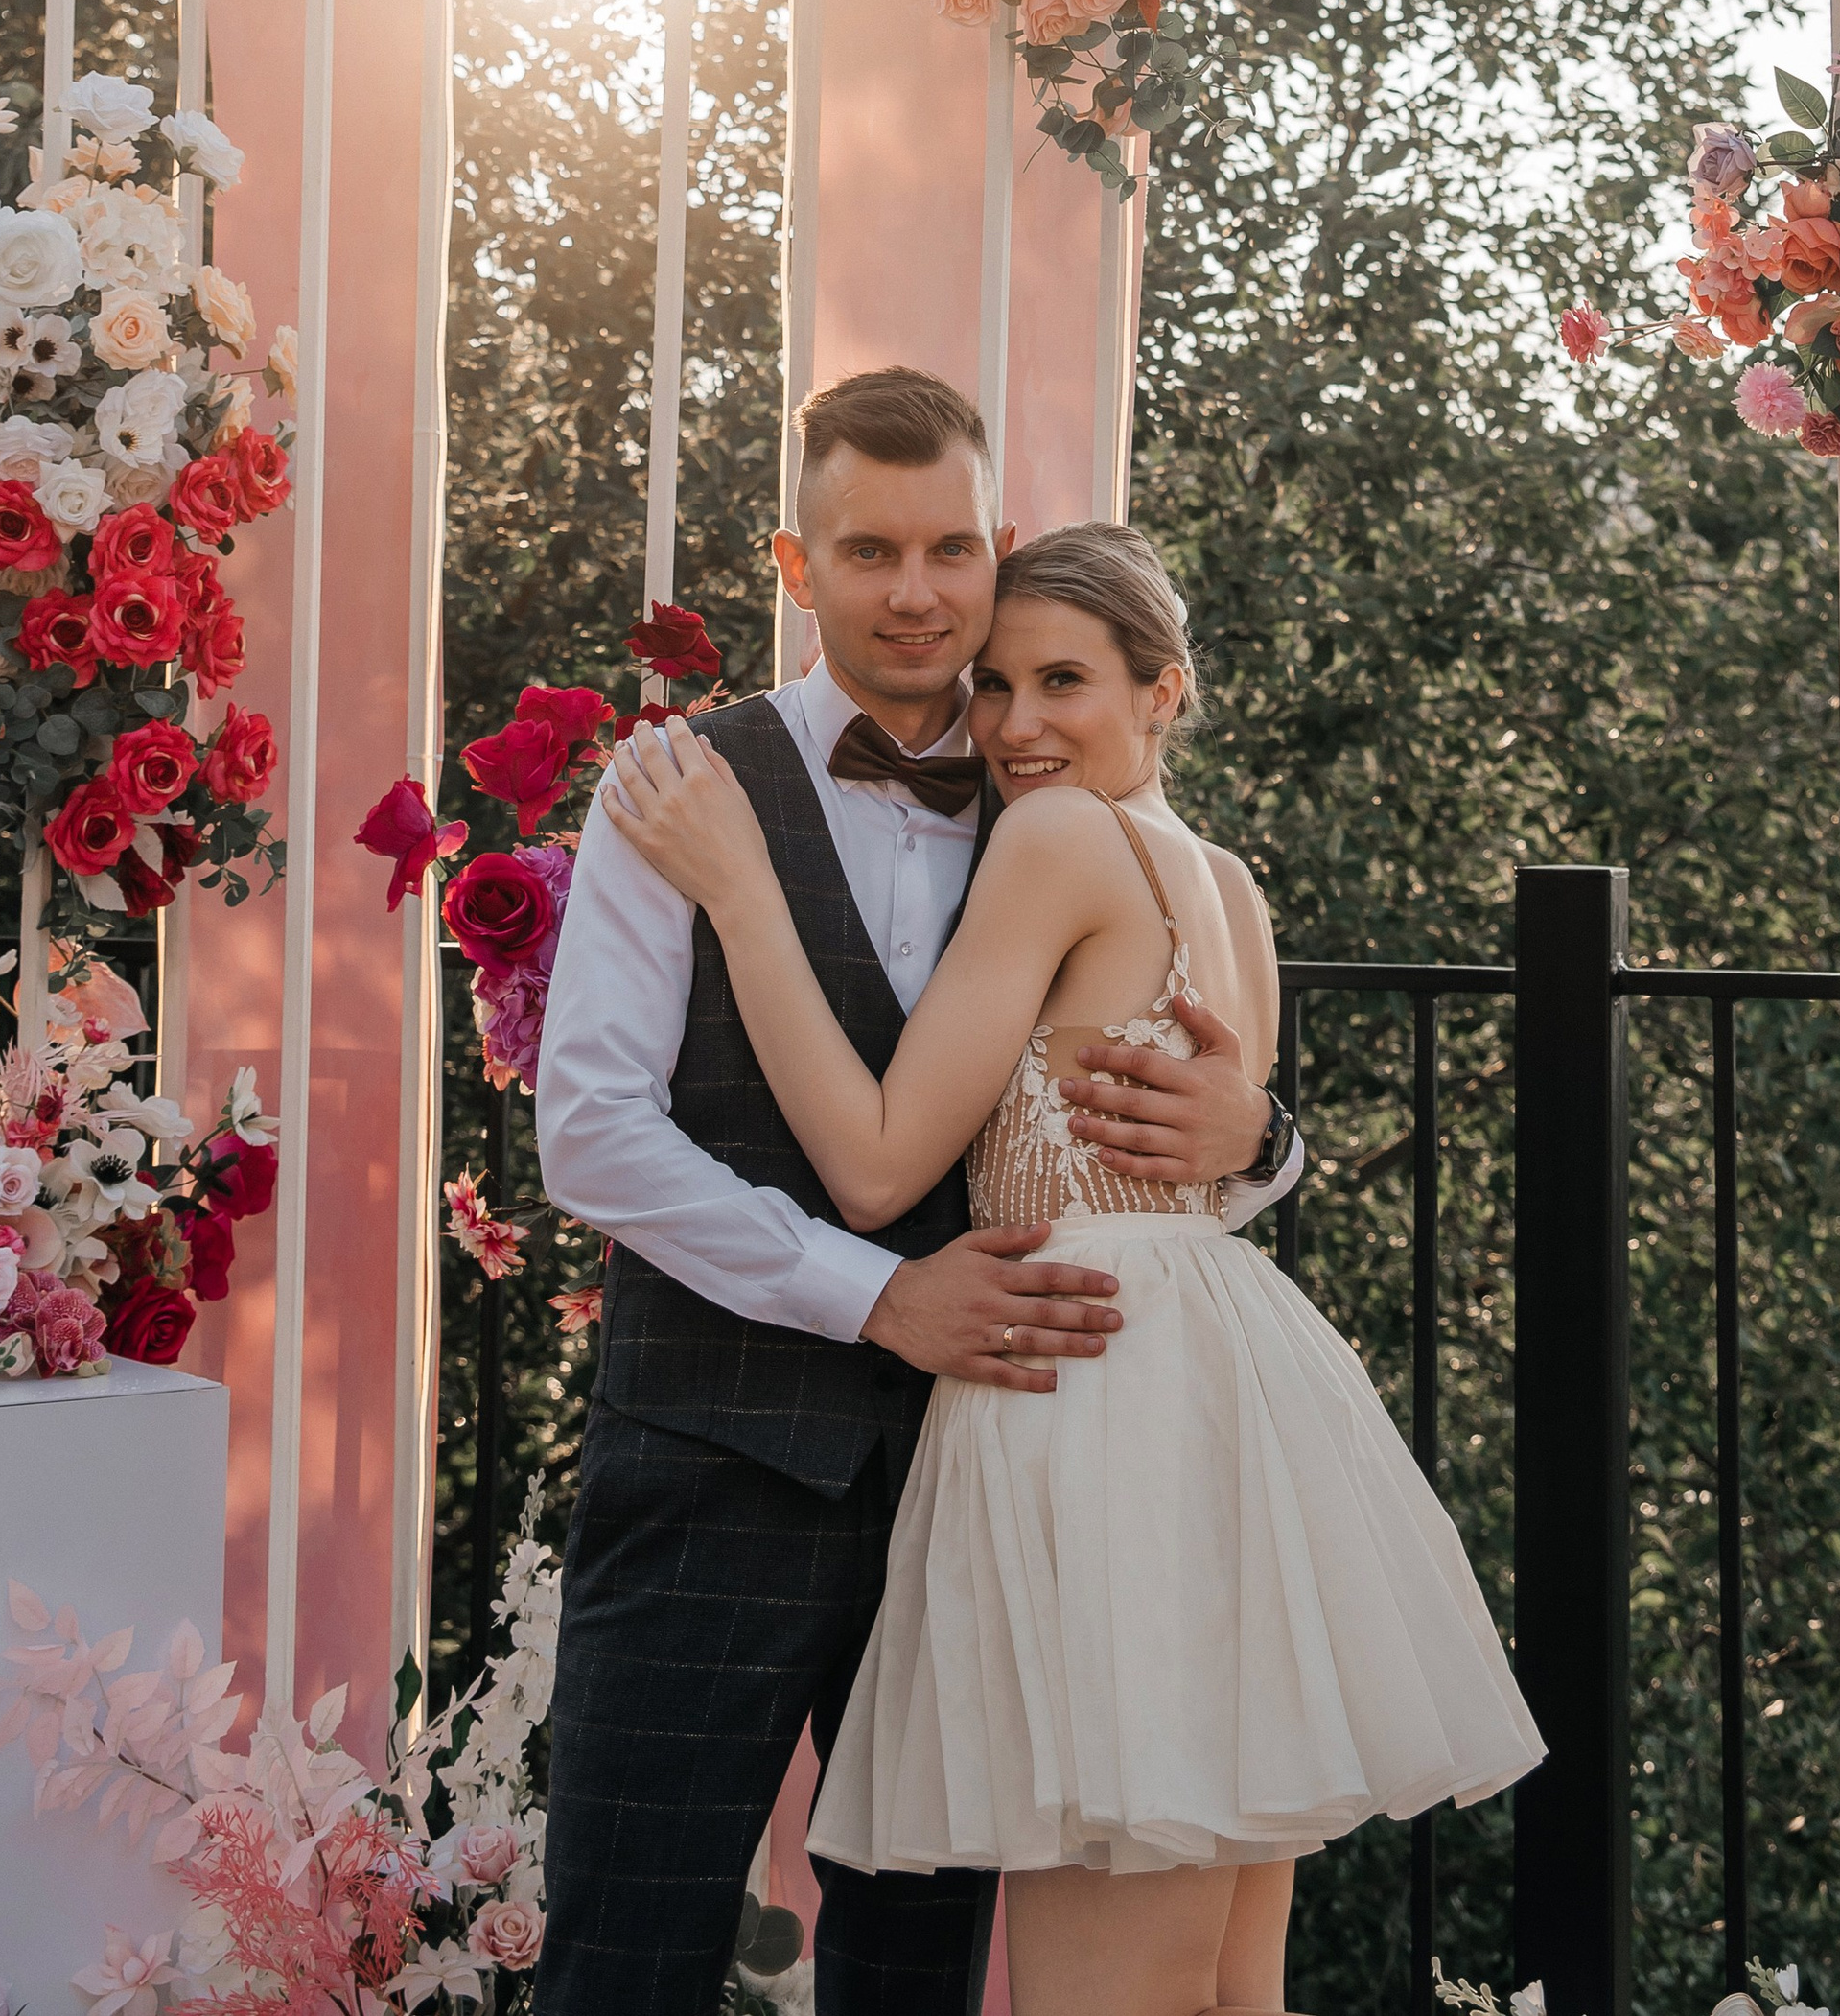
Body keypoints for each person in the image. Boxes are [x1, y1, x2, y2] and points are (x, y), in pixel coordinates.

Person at [601, 518, 1545, 2016]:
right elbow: (1199, 1176)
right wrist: (1266, 1139)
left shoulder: (1052, 841)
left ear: (1162, 691)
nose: (1016, 725)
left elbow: (876, 1166)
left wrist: (741, 892)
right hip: (1222, 1385)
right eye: (995, 684)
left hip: (1095, 1397)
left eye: (1063, 682)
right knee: (1225, 1987)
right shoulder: (1228, 886)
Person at [533, 370, 1300, 2016]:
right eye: (869, 551)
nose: (917, 592)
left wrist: (1258, 1138)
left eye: (952, 548)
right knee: (625, 1959)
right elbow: (591, 1134)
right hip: (714, 1463)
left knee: (919, 1982)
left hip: (990, 1483)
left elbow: (1138, 1119)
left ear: (996, 545)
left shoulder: (1056, 796)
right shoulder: (678, 790)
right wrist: (877, 1295)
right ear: (797, 566)